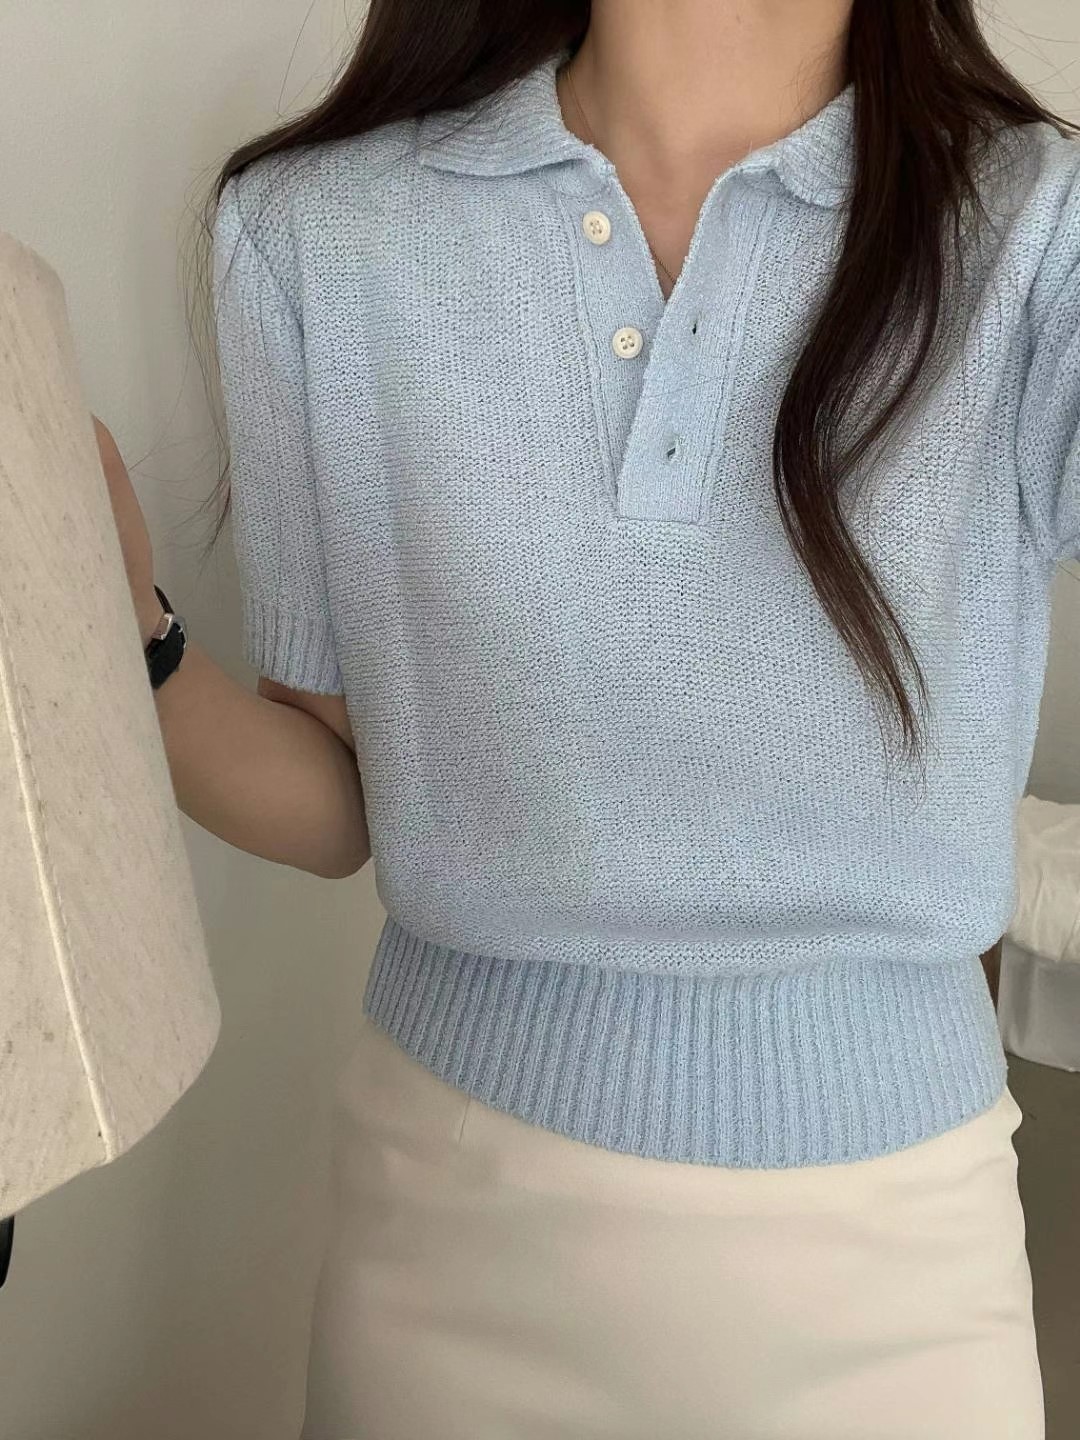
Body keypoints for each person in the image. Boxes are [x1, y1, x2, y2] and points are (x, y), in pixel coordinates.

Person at [96, 0, 1080, 1434]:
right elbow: (340, 794)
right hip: (450, 1240)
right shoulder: (313, 230)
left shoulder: (1037, 229)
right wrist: (125, 644)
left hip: (908, 1264)